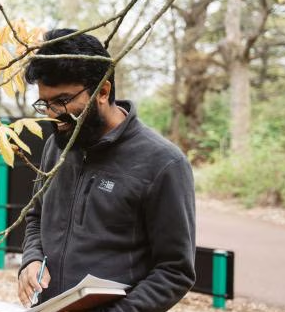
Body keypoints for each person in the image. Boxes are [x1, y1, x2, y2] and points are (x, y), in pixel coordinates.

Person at [17, 29, 196, 311]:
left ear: (102, 91)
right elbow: (35, 215)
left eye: (62, 101)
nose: (52, 113)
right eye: (45, 103)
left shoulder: (163, 163)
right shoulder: (57, 145)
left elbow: (175, 271)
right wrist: (32, 258)